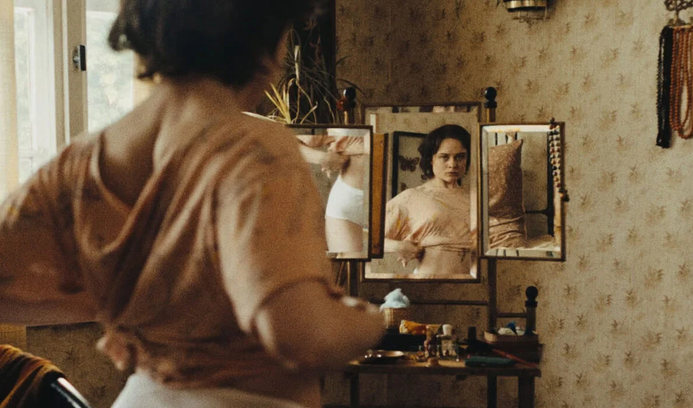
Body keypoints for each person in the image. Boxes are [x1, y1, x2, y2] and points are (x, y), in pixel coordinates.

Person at [0, 1, 385, 407]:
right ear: (264, 36)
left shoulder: (78, 163)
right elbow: (301, 337)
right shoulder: (254, 149)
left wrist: (129, 303)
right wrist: (371, 321)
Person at [384, 125, 474, 276]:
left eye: (460, 157)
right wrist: (398, 247)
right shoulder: (412, 197)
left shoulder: (475, 198)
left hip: (471, 283)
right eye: (444, 157)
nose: (453, 164)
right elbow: (372, 239)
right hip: (430, 281)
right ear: (431, 159)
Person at [296, 130, 367, 254]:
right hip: (348, 205)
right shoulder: (334, 126)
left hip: (392, 200)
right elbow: (286, 143)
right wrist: (323, 158)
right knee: (351, 264)